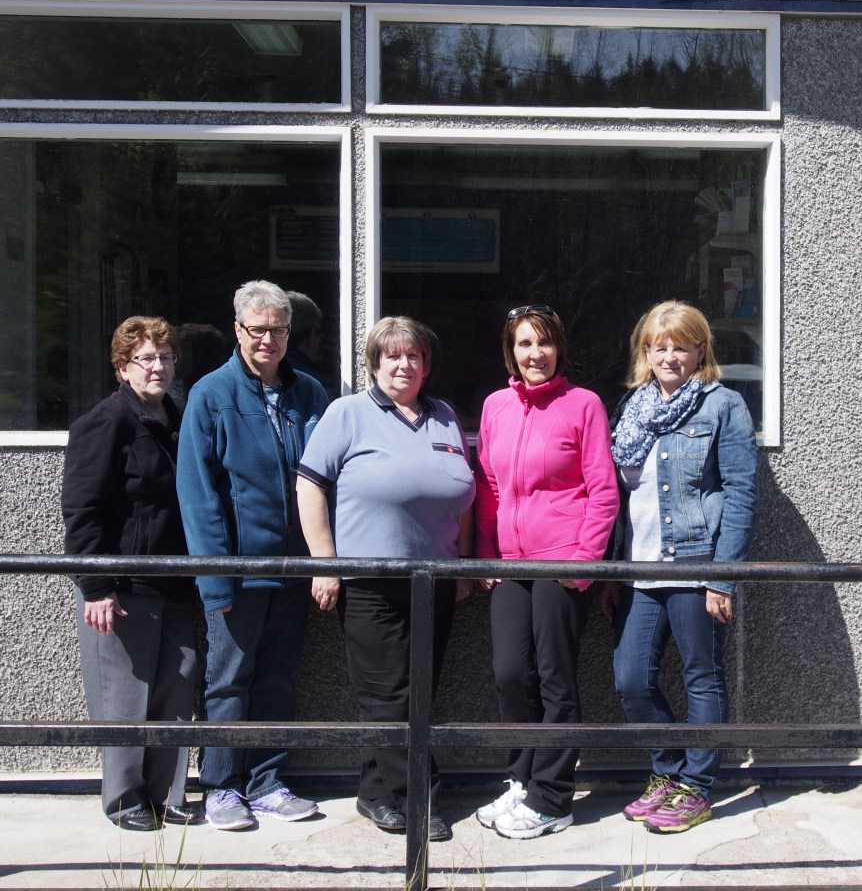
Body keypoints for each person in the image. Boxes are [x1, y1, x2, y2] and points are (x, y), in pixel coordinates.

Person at [297, 316, 475, 842]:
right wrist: (325, 563)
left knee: (418, 690)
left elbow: (462, 496)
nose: (404, 365)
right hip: (369, 579)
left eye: (414, 356)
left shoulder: (443, 416)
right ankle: (421, 798)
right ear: (375, 363)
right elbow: (310, 486)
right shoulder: (346, 413)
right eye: (392, 356)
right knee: (387, 693)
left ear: (426, 364)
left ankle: (377, 792)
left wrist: (462, 564)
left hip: (435, 579)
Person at [176, 279, 329, 831]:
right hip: (239, 573)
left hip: (294, 570)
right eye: (258, 329)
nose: (268, 339)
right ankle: (221, 786)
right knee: (228, 680)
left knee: (278, 679)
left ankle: (266, 782)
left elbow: (326, 476)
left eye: (279, 329)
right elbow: (198, 495)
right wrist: (216, 577)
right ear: (238, 330)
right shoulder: (210, 395)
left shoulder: (309, 393)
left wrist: (322, 561)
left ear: (291, 333)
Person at [606, 300, 757, 834]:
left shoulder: (723, 406)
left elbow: (740, 494)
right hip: (639, 569)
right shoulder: (635, 408)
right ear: (646, 352)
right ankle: (667, 773)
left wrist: (724, 578)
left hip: (696, 566)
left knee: (702, 677)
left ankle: (698, 787)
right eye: (659, 346)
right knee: (630, 679)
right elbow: (617, 494)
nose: (670, 355)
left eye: (681, 345)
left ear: (700, 350)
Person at [472, 304, 619, 840]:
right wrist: (485, 554)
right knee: (511, 672)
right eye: (523, 344)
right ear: (511, 351)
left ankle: (553, 799)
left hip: (562, 563)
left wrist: (584, 565)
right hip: (511, 563)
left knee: (557, 678)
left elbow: (603, 491)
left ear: (559, 347)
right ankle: (523, 780)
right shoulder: (495, 406)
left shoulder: (583, 405)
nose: (534, 354)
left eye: (544, 343)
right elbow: (487, 483)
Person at [61, 316, 201, 832]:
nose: (159, 367)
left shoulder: (176, 417)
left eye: (165, 357)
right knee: (124, 696)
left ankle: (168, 792)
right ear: (123, 368)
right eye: (146, 358)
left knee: (176, 687)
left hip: (174, 582)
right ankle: (124, 798)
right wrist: (95, 585)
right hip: (121, 587)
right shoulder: (107, 421)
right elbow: (81, 509)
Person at [285, 291, 339, 399]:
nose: (320, 341)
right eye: (318, 333)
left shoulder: (258, 376)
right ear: (311, 334)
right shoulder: (321, 386)